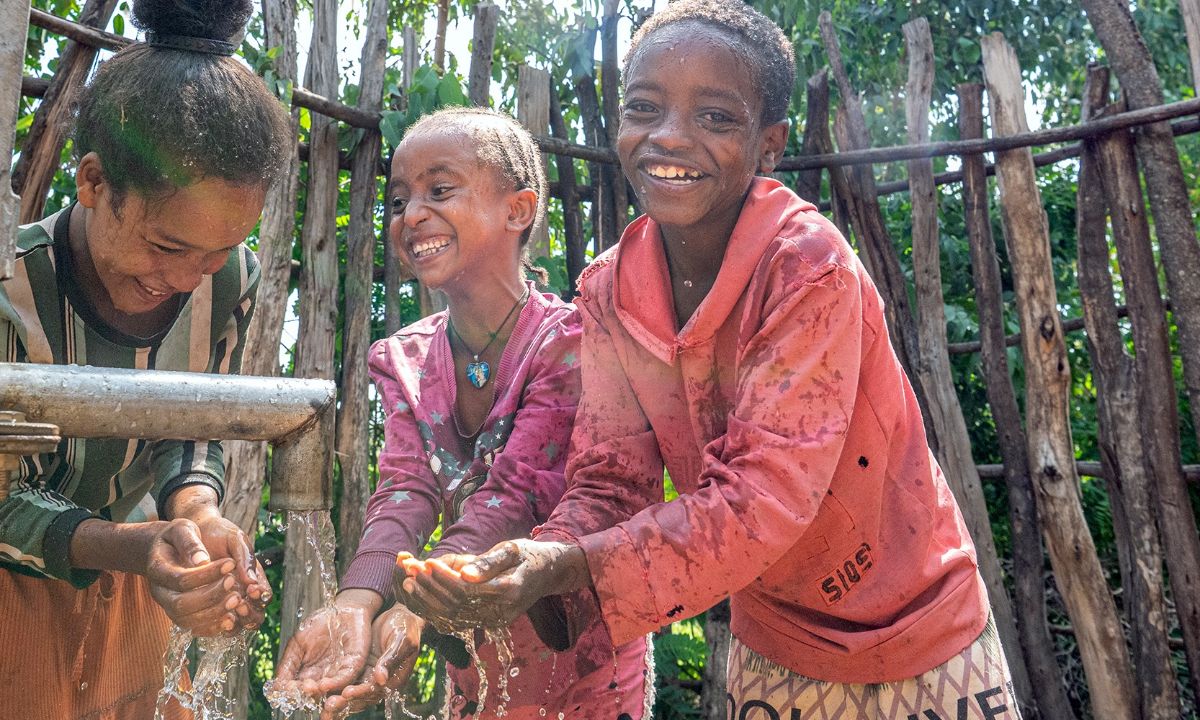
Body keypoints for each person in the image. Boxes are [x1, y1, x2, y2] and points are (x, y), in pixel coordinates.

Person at [398, 3, 1024, 719]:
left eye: (717, 118)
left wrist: (563, 566)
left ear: (769, 146)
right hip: (775, 638)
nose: (669, 137)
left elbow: (766, 495)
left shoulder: (807, 267)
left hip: (916, 626)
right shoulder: (609, 290)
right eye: (644, 108)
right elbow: (610, 482)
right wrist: (531, 559)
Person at [273, 107, 651, 720]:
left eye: (439, 190)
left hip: (584, 652)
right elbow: (406, 487)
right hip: (473, 647)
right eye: (397, 200)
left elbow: (520, 489)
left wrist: (417, 604)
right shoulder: (404, 359)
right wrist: (357, 602)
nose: (412, 214)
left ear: (518, 210)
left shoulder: (570, 342)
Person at [0, 0, 291, 717]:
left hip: (136, 584)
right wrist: (139, 545)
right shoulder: (13, 289)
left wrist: (198, 514)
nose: (191, 277)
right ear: (93, 182)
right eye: (167, 247)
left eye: (219, 249)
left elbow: (188, 423)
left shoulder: (229, 282)